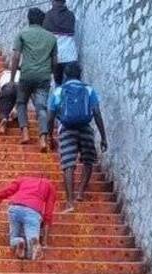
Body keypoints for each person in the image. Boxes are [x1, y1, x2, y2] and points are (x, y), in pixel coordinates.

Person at [47, 61, 108, 212]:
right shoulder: (89, 90)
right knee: (88, 160)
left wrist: (49, 136)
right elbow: (97, 113)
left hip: (67, 129)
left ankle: (70, 201)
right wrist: (103, 136)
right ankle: (81, 192)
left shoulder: (59, 91)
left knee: (68, 163)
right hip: (85, 128)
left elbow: (50, 116)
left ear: (66, 75)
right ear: (80, 75)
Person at [11, 8, 57, 150]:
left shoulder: (22, 34)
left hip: (27, 74)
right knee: (41, 107)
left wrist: (12, 78)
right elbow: (55, 60)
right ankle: (43, 138)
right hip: (44, 76)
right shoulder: (51, 38)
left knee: (21, 102)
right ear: (42, 21)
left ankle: (25, 132)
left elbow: (16, 56)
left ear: (28, 19)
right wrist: (52, 75)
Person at [0, 175, 57, 260]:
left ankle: (18, 242)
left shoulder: (23, 180)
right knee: (32, 239)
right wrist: (44, 241)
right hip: (33, 211)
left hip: (15, 208)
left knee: (13, 238)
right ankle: (34, 243)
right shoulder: (49, 185)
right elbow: (48, 214)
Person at [43, 0, 78, 86]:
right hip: (70, 56)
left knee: (58, 85)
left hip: (55, 58)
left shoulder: (48, 16)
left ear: (53, 2)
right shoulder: (71, 15)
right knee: (72, 86)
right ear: (64, 2)